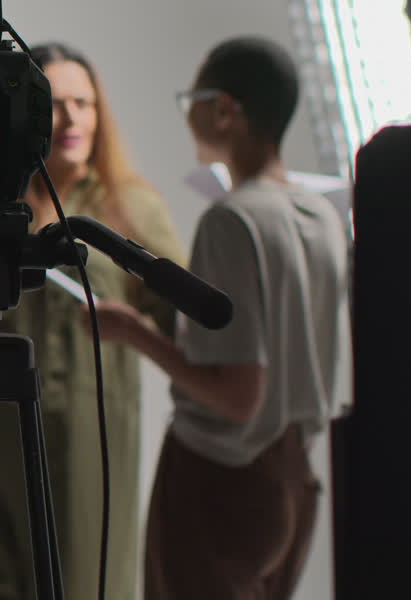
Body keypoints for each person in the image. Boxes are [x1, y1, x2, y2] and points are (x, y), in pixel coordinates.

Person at [90, 36, 348, 599]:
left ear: (225, 110)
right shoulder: (322, 215)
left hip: (221, 480)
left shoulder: (232, 220)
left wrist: (132, 332)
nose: (190, 116)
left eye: (194, 101)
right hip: (294, 482)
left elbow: (236, 397)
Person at [0, 43, 186, 600]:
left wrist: (132, 328)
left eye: (84, 104)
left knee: (85, 582)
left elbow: (185, 325)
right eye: (56, 103)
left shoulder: (128, 206)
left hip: (90, 441)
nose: (71, 119)